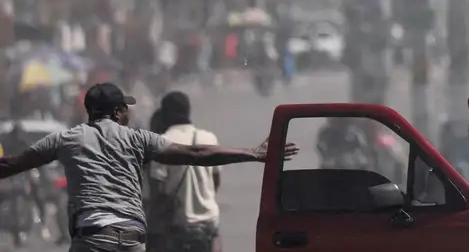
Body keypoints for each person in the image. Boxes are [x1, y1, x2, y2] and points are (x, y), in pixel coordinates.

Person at [0, 82, 297, 252]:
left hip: (91, 238)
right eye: (125, 108)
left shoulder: (65, 139)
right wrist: (253, 153)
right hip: (130, 238)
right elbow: (196, 154)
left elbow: (12, 164)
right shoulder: (138, 139)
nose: (129, 113)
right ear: (117, 112)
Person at [144, 91, 223, 252]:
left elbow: (157, 192)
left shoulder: (161, 143)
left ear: (166, 113)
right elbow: (215, 182)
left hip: (178, 231)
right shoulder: (209, 139)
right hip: (209, 228)